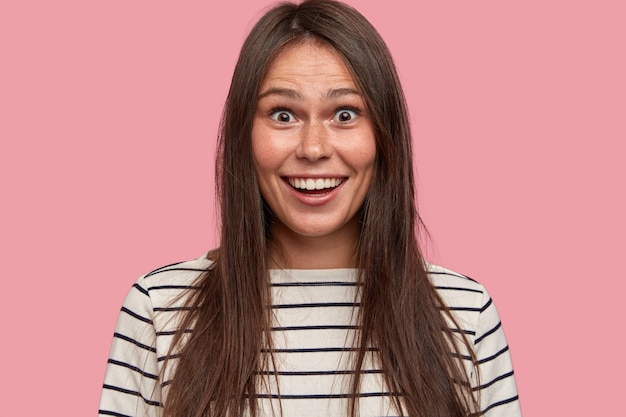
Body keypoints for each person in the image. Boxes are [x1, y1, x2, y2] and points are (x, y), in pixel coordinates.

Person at [99, 1, 522, 416]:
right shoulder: (160, 309)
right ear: (244, 133)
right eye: (283, 115)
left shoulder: (466, 315)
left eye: (345, 113)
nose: (313, 149)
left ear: (384, 134)